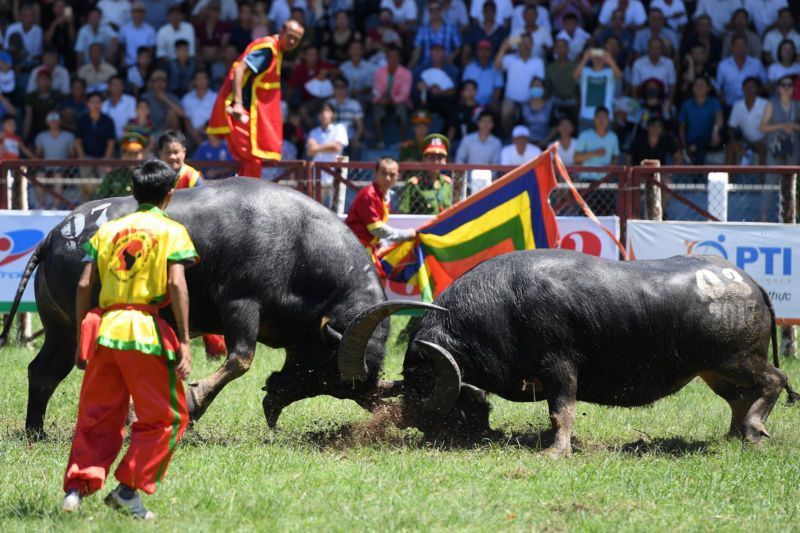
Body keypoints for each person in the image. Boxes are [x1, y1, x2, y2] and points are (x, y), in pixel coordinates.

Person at [61, 159, 196, 520]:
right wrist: (184, 339)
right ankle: (126, 491)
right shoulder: (172, 230)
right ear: (169, 196)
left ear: (133, 193)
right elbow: (177, 284)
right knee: (169, 418)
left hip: (105, 332)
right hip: (144, 333)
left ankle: (75, 490)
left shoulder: (108, 230)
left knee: (96, 415)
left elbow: (84, 284)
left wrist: (80, 338)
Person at [207, 20, 305, 178]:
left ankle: (240, 197)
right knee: (252, 158)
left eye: (297, 39)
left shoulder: (276, 50)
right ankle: (248, 198)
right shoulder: (268, 50)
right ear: (281, 30)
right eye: (290, 36)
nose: (292, 41)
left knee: (247, 160)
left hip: (245, 112)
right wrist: (238, 104)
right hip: (240, 112)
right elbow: (239, 70)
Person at [345, 156, 416, 275]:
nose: (387, 178)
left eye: (392, 174)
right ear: (376, 174)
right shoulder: (369, 195)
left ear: (398, 176)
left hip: (363, 248)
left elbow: (379, 225)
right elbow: (377, 229)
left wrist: (382, 244)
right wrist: (406, 234)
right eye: (383, 173)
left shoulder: (384, 195)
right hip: (355, 249)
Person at [306, 102, 348, 205]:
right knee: (315, 207)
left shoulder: (339, 128)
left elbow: (336, 147)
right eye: (322, 111)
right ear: (319, 115)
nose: (324, 114)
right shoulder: (313, 132)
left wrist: (317, 147)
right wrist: (327, 146)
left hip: (336, 175)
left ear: (333, 114)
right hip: (317, 175)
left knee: (336, 208)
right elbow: (310, 151)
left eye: (328, 111)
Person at [399, 133, 453, 214]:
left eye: (440, 157)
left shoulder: (447, 184)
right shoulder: (414, 185)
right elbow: (404, 213)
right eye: (432, 157)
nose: (436, 161)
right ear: (424, 159)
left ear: (445, 161)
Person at [573, 48, 622, 132]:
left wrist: (609, 60)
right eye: (595, 56)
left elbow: (619, 76)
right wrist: (585, 59)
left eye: (600, 57)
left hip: (606, 117)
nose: (598, 59)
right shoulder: (585, 71)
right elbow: (575, 76)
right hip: (586, 116)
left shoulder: (609, 72)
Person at [677, 76, 724, 164]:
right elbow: (681, 127)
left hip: (711, 139)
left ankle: (697, 175)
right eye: (696, 85)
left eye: (702, 85)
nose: (699, 87)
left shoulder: (714, 102)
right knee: (699, 148)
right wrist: (684, 146)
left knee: (700, 145)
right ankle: (698, 175)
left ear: (708, 88)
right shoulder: (686, 104)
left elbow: (719, 118)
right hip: (692, 141)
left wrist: (715, 130)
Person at [726, 77, 768, 165]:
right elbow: (731, 127)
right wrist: (733, 141)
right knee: (731, 147)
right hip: (745, 140)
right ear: (742, 88)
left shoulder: (765, 104)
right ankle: (729, 177)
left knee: (762, 148)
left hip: (763, 140)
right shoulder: (737, 105)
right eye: (746, 86)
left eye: (752, 86)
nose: (749, 89)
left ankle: (762, 178)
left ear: (757, 89)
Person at [94, 134, 147, 199]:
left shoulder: (147, 176)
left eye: (136, 153)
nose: (133, 158)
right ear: (123, 155)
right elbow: (100, 196)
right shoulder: (112, 176)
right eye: (129, 153)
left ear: (142, 155)